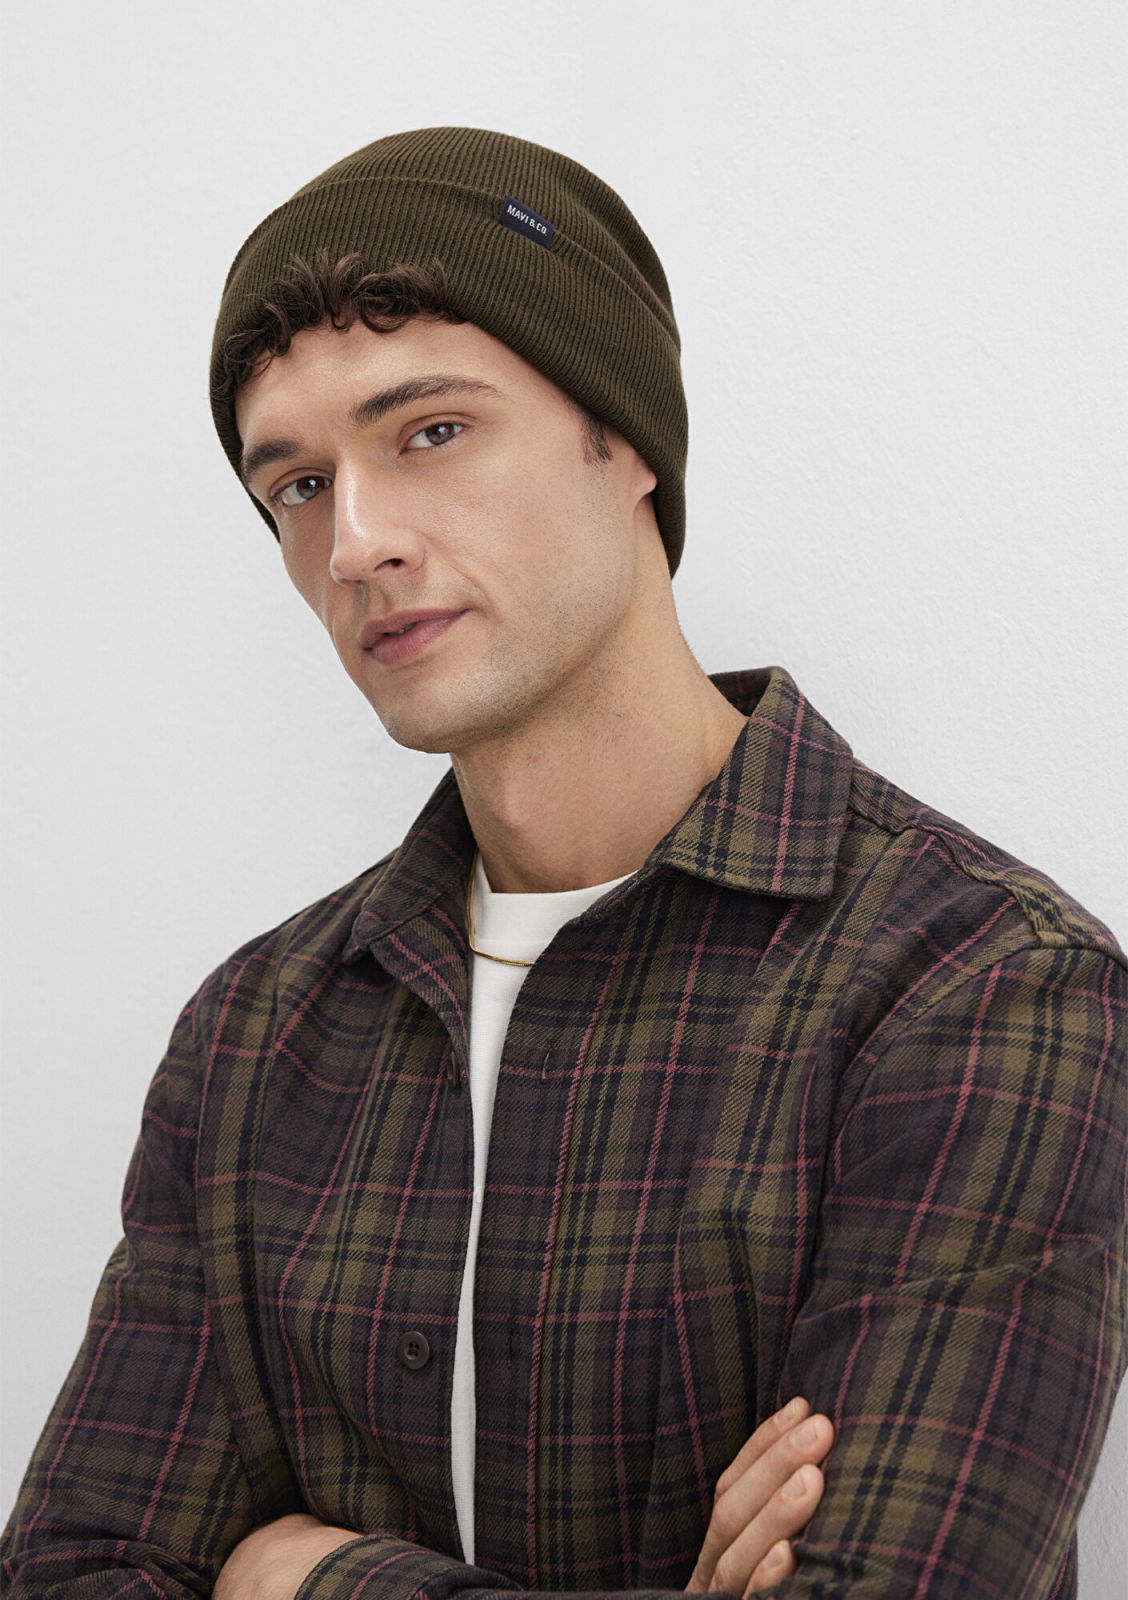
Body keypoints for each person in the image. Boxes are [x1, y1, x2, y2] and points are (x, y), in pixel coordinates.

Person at [3, 127, 1124, 1600]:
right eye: (298, 486)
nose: (355, 544)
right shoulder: (256, 1037)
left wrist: (300, 1577)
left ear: (628, 439)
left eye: (431, 433)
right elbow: (74, 1570)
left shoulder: (984, 989)